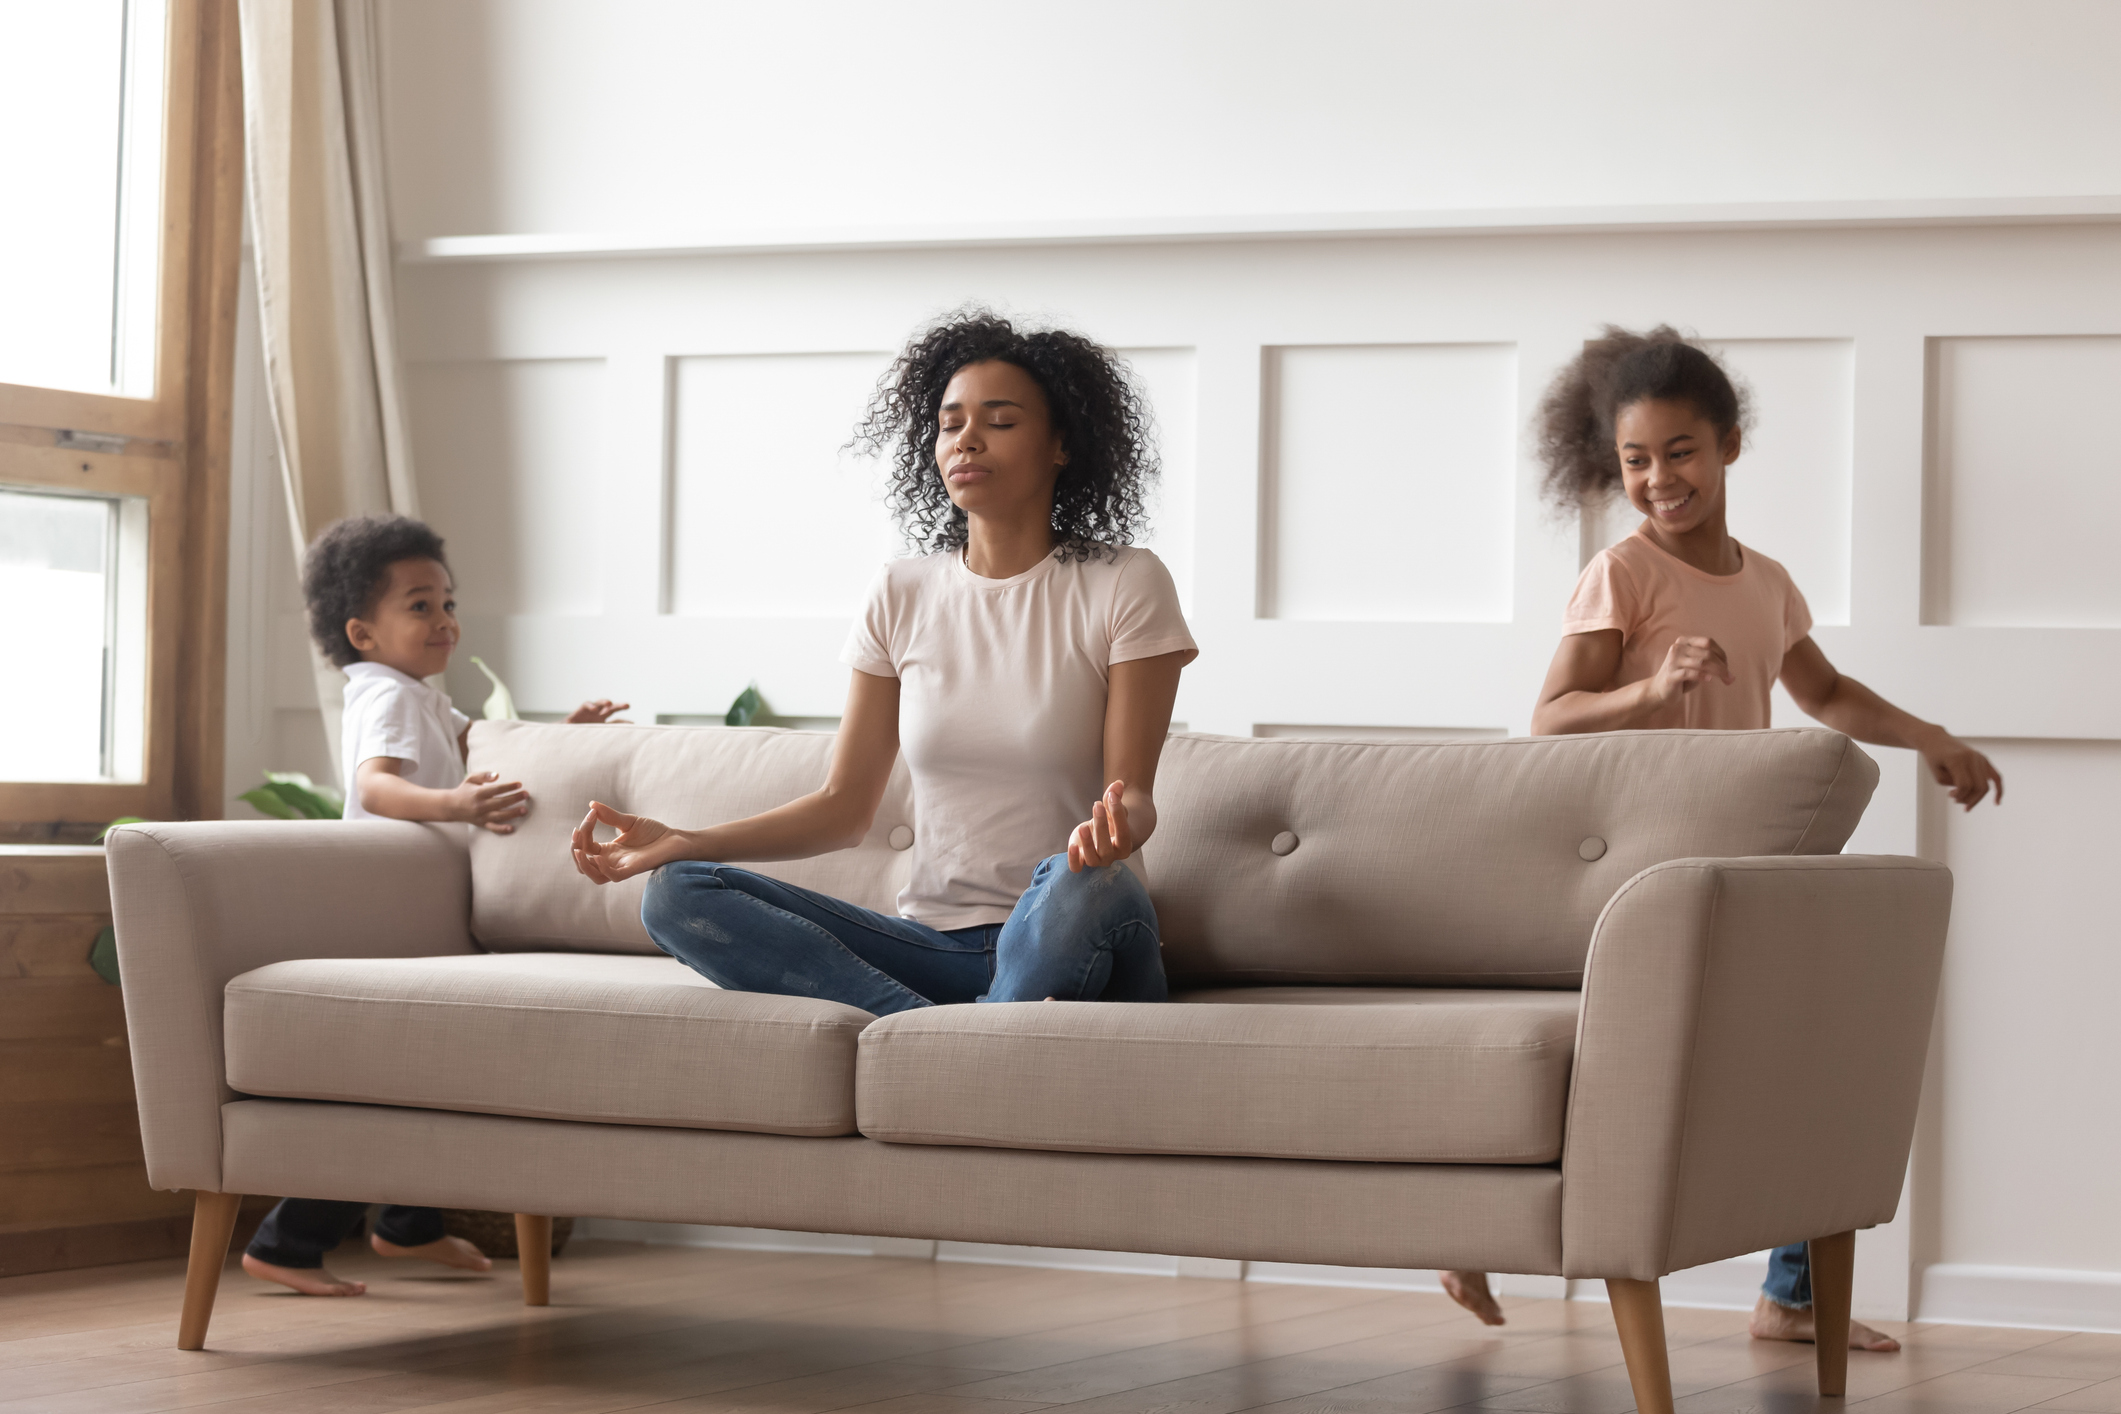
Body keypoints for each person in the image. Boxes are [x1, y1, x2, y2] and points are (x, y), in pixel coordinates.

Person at [1437, 327, 2001, 1347]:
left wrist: (1930, 736)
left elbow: (1821, 690)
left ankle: (1790, 1293)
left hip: (1744, 857)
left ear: (1729, 444)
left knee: (1813, 1053)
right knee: (1589, 1069)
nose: (1659, 479)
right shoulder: (1624, 574)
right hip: (1636, 864)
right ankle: (1467, 1227)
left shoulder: (1766, 581)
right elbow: (1552, 714)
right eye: (1636, 462)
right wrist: (1655, 686)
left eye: (1680, 452)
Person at [570, 309, 1196, 1015]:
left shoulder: (1124, 582)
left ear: (1060, 444)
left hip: (1075, 924)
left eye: (1000, 420)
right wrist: (684, 839)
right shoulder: (900, 592)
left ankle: (948, 1048)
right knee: (678, 892)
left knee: (1087, 881)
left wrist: (1119, 826)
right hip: (934, 949)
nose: (967, 440)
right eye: (949, 422)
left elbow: (1132, 796)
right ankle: (946, 1036)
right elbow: (843, 810)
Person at [242, 514, 628, 1298]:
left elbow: (486, 744)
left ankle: (405, 1226)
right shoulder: (382, 696)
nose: (445, 621)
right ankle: (288, 1243)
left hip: (423, 915)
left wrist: (559, 735)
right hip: (389, 913)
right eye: (419, 606)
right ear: (363, 632)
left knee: (433, 1071)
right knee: (389, 1078)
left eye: (448, 603)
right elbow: (373, 786)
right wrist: (454, 805)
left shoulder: (418, 694)